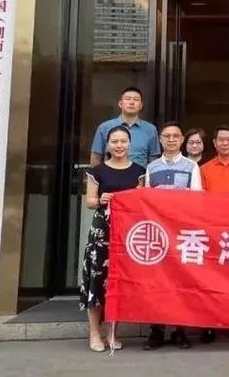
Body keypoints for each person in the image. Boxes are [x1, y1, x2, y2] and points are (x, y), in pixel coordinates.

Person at [80, 125, 145, 352]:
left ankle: (112, 332)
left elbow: (142, 201)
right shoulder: (97, 171)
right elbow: (89, 201)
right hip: (102, 231)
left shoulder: (139, 171)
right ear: (107, 145)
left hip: (127, 231)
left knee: (119, 280)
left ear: (130, 144)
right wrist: (101, 199)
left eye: (123, 141)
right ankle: (94, 332)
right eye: (114, 142)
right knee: (97, 279)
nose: (119, 146)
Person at [143, 122, 202, 350]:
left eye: (175, 136)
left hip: (181, 233)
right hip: (158, 234)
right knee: (156, 282)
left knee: (181, 281)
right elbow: (146, 200)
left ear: (182, 140)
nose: (170, 140)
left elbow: (197, 200)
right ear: (160, 139)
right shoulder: (151, 167)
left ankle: (180, 330)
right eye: (166, 136)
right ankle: (156, 330)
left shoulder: (191, 167)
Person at [199, 125, 229, 345]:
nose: (225, 143)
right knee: (210, 279)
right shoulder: (204, 168)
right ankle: (209, 324)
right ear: (214, 143)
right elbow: (200, 200)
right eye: (221, 140)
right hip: (211, 230)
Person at [90, 87, 159, 168]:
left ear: (141, 106)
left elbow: (153, 158)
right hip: (110, 174)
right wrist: (96, 174)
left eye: (136, 99)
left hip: (140, 175)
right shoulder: (104, 127)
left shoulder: (150, 129)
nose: (131, 102)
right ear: (120, 104)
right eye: (128, 99)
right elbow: (96, 156)